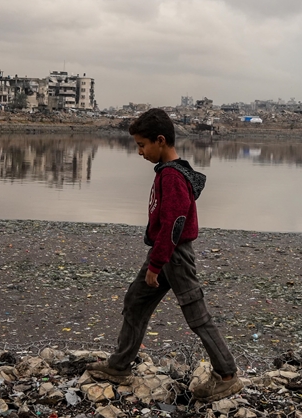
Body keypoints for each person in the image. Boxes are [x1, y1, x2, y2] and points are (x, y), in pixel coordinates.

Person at [87, 108, 242, 402]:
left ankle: (227, 375)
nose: (139, 152)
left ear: (160, 141)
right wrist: (156, 259)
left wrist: (157, 264)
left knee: (197, 316)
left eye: (142, 145)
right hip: (163, 250)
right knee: (135, 301)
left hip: (175, 255)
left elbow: (175, 223)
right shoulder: (169, 171)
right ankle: (119, 365)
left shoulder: (172, 176)